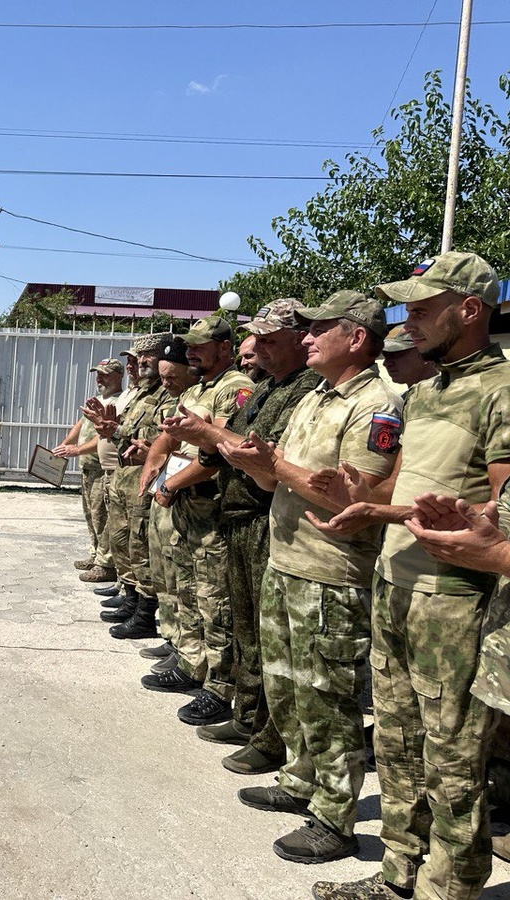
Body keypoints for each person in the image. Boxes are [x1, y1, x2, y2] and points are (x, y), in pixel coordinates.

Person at [310, 252, 510, 900]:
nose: (409, 321)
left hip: (453, 602)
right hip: (396, 582)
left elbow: (501, 515)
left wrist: (473, 526)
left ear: (470, 310)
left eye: (422, 309)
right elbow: (411, 485)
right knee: (396, 746)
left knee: (451, 763)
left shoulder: (501, 393)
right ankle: (399, 876)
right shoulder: (423, 392)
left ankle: (448, 890)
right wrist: (369, 499)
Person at [221, 290, 401, 864]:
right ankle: (301, 779)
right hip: (286, 559)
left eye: (320, 329)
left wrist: (273, 465)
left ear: (356, 338)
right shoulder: (317, 398)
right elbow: (279, 482)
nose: (307, 337)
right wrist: (253, 460)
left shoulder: (377, 403)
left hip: (331, 571)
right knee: (287, 683)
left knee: (329, 697)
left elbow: (355, 494)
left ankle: (335, 816)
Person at [163, 299, 319, 777]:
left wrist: (209, 433)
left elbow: (254, 455)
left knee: (267, 637)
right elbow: (231, 441)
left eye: (272, 341)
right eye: (260, 341)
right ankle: (249, 717)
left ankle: (271, 737)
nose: (262, 351)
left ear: (300, 338)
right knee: (247, 629)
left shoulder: (302, 390)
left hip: (266, 518)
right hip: (239, 514)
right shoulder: (269, 389)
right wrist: (211, 435)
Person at [138, 315, 254, 728]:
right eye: (188, 345)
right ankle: (191, 661)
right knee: (188, 589)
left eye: (199, 346)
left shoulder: (235, 389)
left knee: (214, 600)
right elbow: (168, 437)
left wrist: (174, 483)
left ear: (224, 348)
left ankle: (220, 686)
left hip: (212, 510)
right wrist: (152, 468)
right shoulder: (200, 388)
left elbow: (220, 451)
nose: (191, 352)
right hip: (188, 508)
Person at [92, 335, 168, 639]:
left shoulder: (166, 394)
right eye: (136, 357)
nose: (138, 362)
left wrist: (120, 432)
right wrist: (111, 429)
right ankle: (131, 599)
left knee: (140, 547)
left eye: (145, 356)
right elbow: (127, 431)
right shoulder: (139, 394)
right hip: (124, 477)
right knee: (123, 542)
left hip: (142, 479)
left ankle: (145, 614)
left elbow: (157, 437)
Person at [54, 358, 122, 584]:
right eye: (98, 373)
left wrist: (77, 449)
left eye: (105, 374)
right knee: (91, 515)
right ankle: (95, 554)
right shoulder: (98, 400)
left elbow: (103, 435)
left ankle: (106, 563)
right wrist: (65, 445)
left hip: (102, 468)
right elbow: (80, 425)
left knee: (102, 516)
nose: (99, 378)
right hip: (87, 467)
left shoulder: (117, 403)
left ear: (119, 376)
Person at [381, 324, 437, 389]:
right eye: (385, 355)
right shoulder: (405, 398)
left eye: (396, 355)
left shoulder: (446, 396)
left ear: (424, 354)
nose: (386, 363)